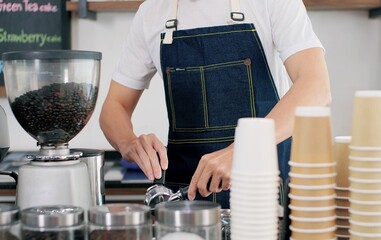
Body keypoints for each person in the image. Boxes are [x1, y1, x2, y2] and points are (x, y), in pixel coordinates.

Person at [99, 0, 331, 209]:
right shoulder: (150, 13)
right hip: (187, 202)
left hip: (263, 196)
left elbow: (316, 86)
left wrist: (244, 147)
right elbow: (114, 106)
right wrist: (127, 142)